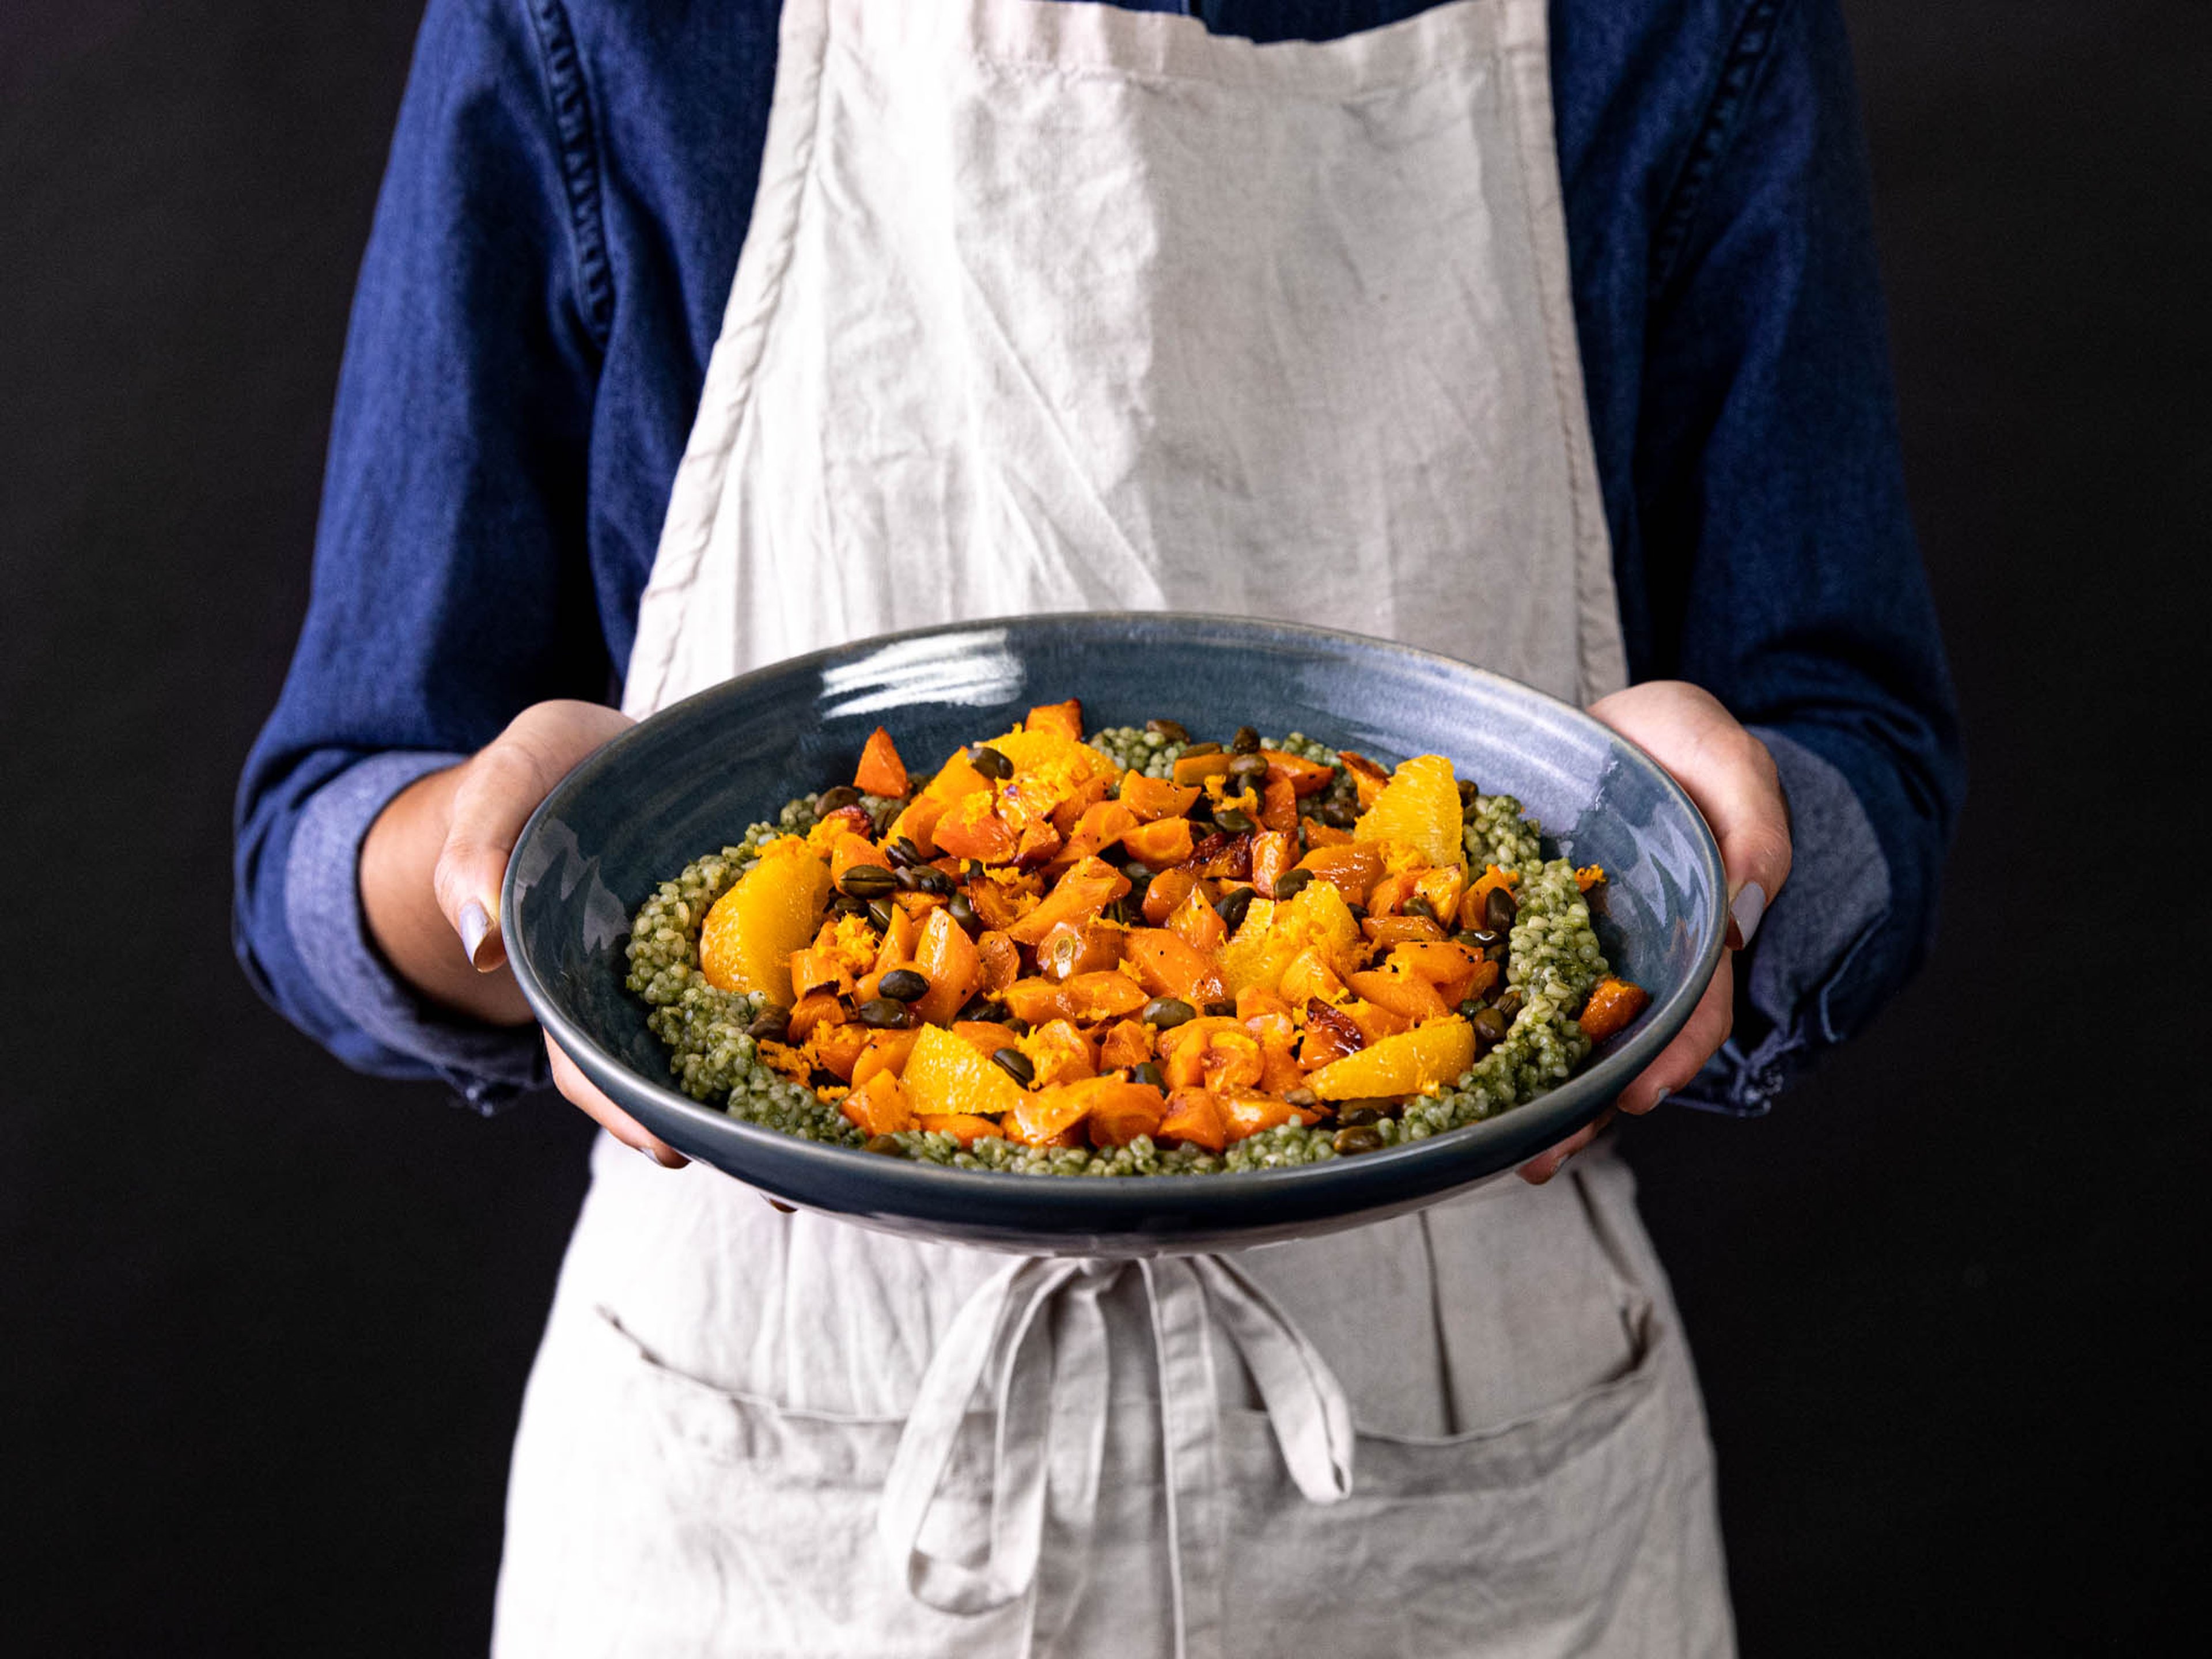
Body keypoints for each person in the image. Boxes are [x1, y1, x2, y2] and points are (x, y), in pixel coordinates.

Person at [234, 0, 1961, 1651]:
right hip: (779, 1497)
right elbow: (328, 832)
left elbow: (1861, 755)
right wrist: (509, 864)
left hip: (1455, 1498)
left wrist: (1714, 854)